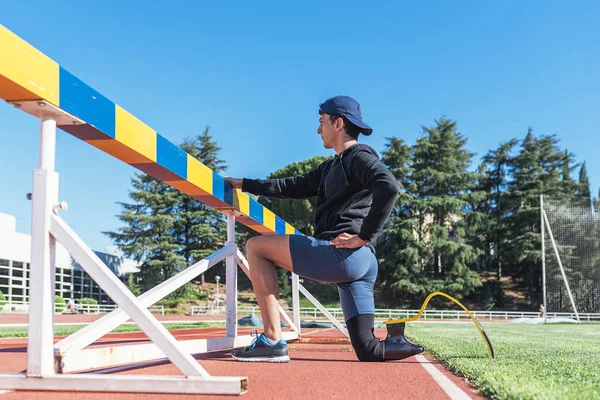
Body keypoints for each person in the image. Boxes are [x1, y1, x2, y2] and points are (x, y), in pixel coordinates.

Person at [226, 95, 424, 363]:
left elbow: (389, 186)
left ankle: (272, 340)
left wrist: (363, 236)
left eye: (321, 122)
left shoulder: (357, 157)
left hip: (343, 255)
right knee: (368, 350)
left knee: (255, 247)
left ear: (338, 123)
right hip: (363, 264)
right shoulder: (332, 166)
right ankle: (396, 340)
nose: (318, 129)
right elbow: (290, 187)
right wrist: (242, 183)